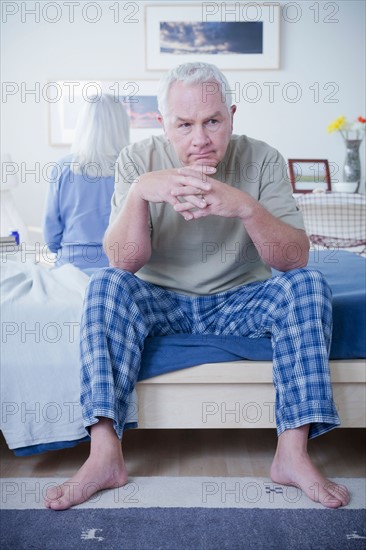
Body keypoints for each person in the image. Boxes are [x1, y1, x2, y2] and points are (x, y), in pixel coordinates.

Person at [44, 62, 350, 510]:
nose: (200, 139)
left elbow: (293, 259)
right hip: (159, 299)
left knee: (309, 284)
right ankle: (105, 453)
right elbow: (123, 262)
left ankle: (291, 453)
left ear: (232, 114)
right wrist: (139, 193)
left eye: (213, 121)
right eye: (184, 125)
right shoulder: (137, 160)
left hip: (240, 299)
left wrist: (244, 207)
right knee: (105, 285)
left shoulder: (262, 158)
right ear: (163, 123)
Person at [43, 94, 130, 271]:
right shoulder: (134, 169)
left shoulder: (62, 168)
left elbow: (51, 237)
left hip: (70, 269)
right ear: (121, 126)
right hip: (118, 270)